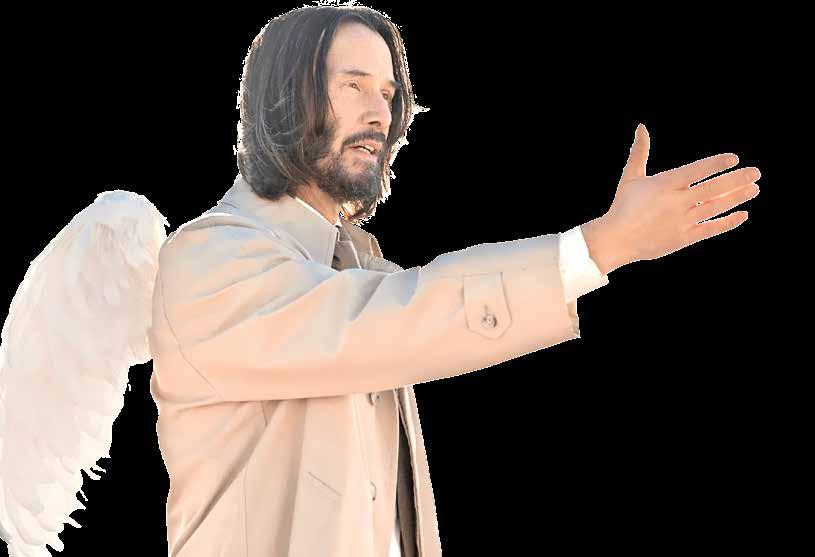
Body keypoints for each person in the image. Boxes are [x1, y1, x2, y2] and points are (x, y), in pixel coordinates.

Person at [147, 4, 761, 557]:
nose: (378, 114)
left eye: (387, 93)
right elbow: (394, 318)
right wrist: (598, 248)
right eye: (352, 85)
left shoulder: (356, 267)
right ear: (284, 99)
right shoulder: (209, 260)